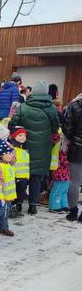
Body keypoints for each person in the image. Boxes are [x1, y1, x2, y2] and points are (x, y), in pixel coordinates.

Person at [9, 81, 59, 215]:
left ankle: (18, 204)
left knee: (21, 177)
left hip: (24, 147)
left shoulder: (23, 107)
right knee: (36, 178)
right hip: (43, 148)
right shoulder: (52, 109)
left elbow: (13, 124)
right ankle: (33, 206)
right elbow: (55, 129)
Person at [63, 92, 82, 222]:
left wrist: (71, 138)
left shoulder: (74, 105)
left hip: (77, 146)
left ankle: (73, 211)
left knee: (74, 181)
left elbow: (67, 127)